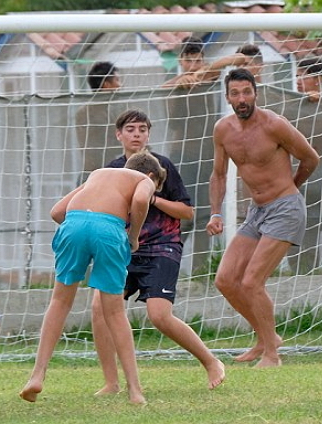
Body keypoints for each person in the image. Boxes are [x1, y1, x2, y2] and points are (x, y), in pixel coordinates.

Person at [91, 109, 225, 393]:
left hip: (162, 248)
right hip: (124, 248)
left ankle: (211, 361)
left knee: (159, 316)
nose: (136, 133)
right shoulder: (111, 170)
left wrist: (152, 198)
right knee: (98, 308)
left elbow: (187, 211)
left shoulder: (162, 166)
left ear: (149, 134)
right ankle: (111, 382)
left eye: (142, 129)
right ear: (119, 135)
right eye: (130, 129)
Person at [19, 149, 167, 405]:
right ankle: (135, 390)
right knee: (114, 313)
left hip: (73, 223)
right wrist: (132, 237)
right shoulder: (143, 181)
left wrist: (80, 229)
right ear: (152, 176)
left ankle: (37, 375)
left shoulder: (97, 174)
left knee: (60, 302)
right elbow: (142, 201)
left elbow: (56, 212)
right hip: (109, 230)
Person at [206, 68, 320, 368]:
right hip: (256, 212)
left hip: (285, 207)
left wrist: (292, 187)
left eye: (246, 92)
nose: (241, 99)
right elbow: (218, 174)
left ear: (255, 92)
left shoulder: (275, 125)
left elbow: (311, 158)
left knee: (252, 281)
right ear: (227, 96)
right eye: (235, 93)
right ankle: (264, 337)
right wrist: (216, 212)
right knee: (226, 280)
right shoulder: (223, 130)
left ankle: (272, 353)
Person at [75, 61, 123, 185]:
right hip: (94, 176)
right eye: (117, 80)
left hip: (107, 172)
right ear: (106, 85)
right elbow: (95, 148)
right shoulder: (88, 113)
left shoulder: (109, 111)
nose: (120, 85)